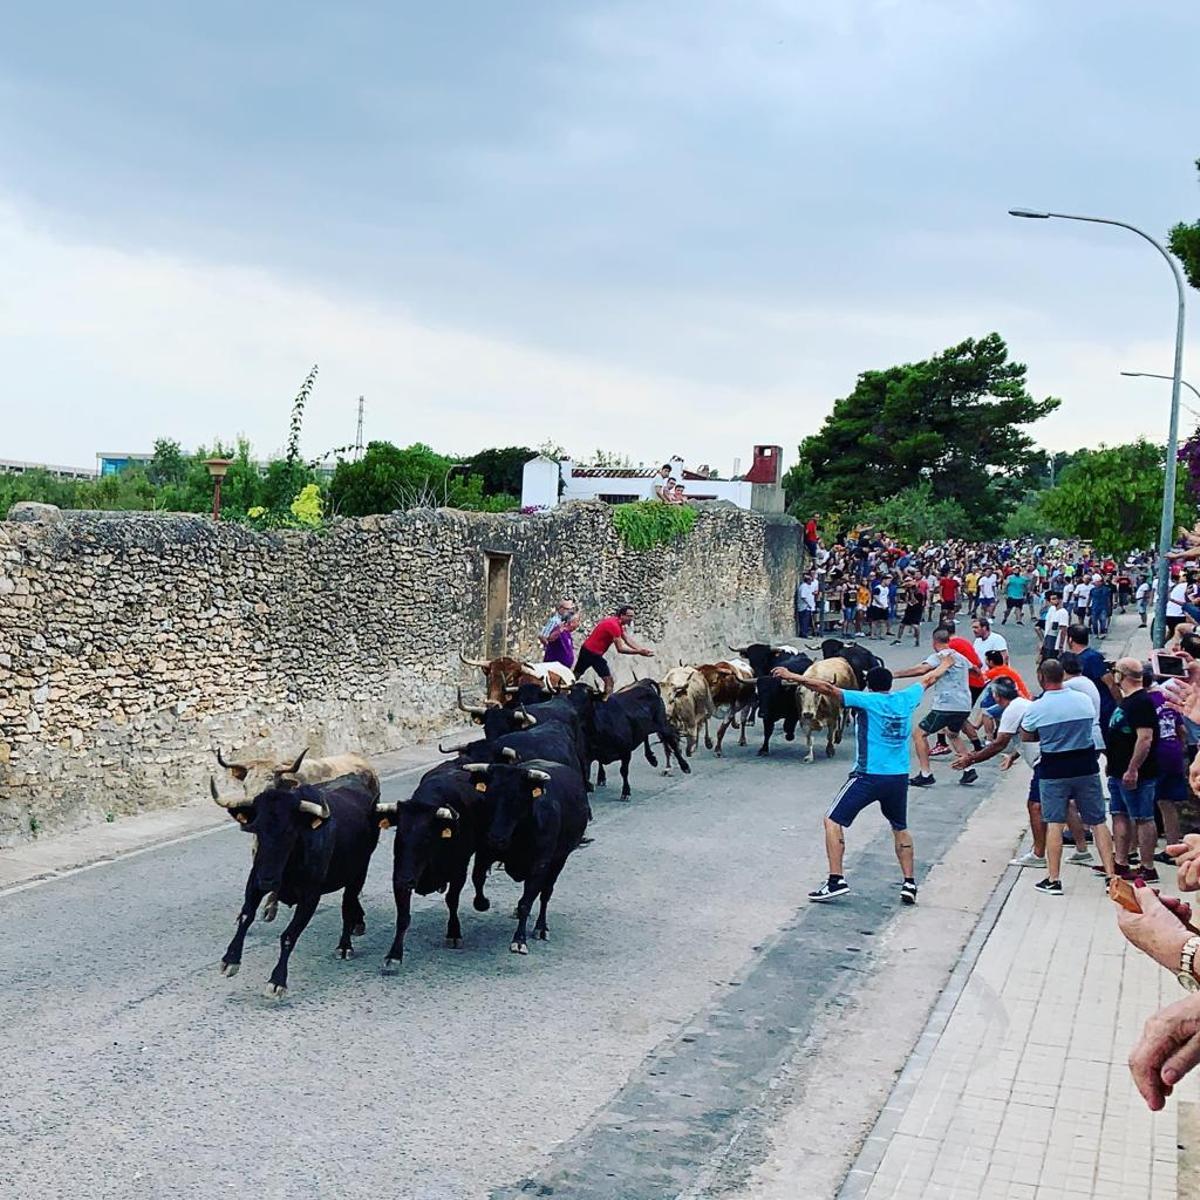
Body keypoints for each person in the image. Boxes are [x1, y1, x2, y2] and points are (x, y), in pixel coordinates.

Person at [773, 657, 955, 905]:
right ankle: (909, 883)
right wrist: (946, 663)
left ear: (869, 686)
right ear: (890, 684)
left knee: (832, 820)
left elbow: (826, 688)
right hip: (898, 777)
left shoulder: (865, 700)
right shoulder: (906, 698)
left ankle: (836, 880)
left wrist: (792, 676)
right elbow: (929, 678)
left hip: (868, 776)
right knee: (899, 827)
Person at [1018, 657, 1117, 895]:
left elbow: (1028, 736)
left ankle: (1054, 879)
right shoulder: (1083, 700)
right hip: (1085, 765)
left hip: (1054, 768)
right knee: (1098, 821)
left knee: (1054, 822)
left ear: (1041, 677)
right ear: (1063, 675)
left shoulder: (1037, 707)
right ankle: (1111, 875)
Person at [895, 627, 978, 788]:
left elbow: (922, 669)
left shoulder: (940, 656)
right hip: (964, 705)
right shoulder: (960, 656)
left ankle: (926, 773)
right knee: (952, 734)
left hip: (946, 705)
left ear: (934, 642)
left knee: (919, 734)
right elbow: (974, 669)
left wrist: (895, 674)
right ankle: (969, 768)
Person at [1104, 656, 1161, 882]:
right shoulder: (1127, 701)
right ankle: (1120, 862)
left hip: (1137, 774)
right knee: (1119, 814)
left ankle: (1147, 866)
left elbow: (1145, 738)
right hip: (1117, 770)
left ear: (1122, 675)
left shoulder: (1141, 702)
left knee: (1142, 817)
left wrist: (1133, 769)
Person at [575, 604, 654, 697]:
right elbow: (620, 649)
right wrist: (639, 652)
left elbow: (627, 639)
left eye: (633, 616)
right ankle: (608, 701)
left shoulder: (616, 622)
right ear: (622, 615)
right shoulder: (614, 626)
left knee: (576, 674)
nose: (631, 619)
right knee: (609, 681)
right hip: (593, 654)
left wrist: (641, 649)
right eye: (629, 616)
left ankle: (564, 690)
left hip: (586, 650)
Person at [538, 598, 580, 669]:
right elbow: (544, 636)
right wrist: (551, 648)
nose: (570, 611)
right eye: (568, 609)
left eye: (571, 609)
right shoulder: (555, 621)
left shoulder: (563, 623)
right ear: (561, 608)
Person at [794, 571, 818, 638]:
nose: (811, 581)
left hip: (808, 607)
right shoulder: (803, 586)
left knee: (807, 621)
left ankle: (806, 632)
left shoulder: (809, 586)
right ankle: (803, 633)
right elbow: (803, 597)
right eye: (810, 580)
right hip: (804, 607)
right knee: (804, 621)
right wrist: (808, 604)